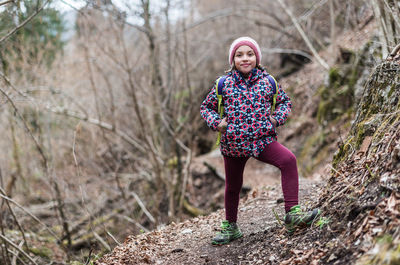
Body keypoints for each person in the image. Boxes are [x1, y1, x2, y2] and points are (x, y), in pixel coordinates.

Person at [200, 37, 321, 245]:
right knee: (233, 186)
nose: (245, 58)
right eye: (239, 55)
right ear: (232, 60)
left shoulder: (268, 82)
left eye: (250, 54)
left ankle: (293, 214)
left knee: (289, 160)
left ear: (257, 57)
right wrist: (217, 123)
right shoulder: (223, 84)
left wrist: (276, 119)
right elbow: (206, 108)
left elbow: (285, 102)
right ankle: (230, 227)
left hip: (262, 140)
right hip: (234, 144)